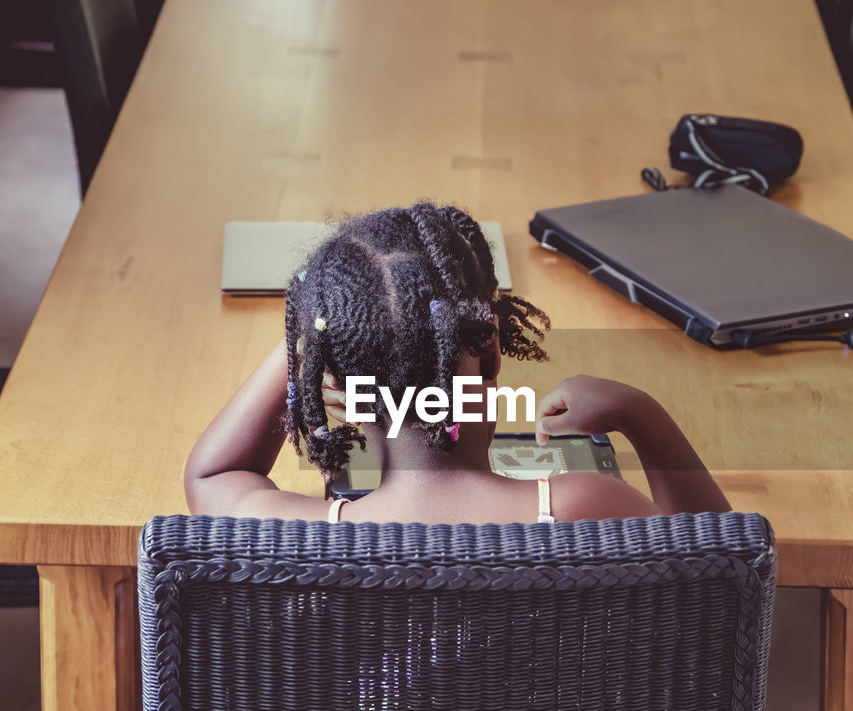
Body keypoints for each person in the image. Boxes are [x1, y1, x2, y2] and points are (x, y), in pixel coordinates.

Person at [185, 203, 730, 523]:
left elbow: (212, 474)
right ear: (492, 353)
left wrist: (319, 332)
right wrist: (641, 413)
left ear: (336, 389)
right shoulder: (585, 507)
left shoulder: (320, 536)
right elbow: (719, 560)